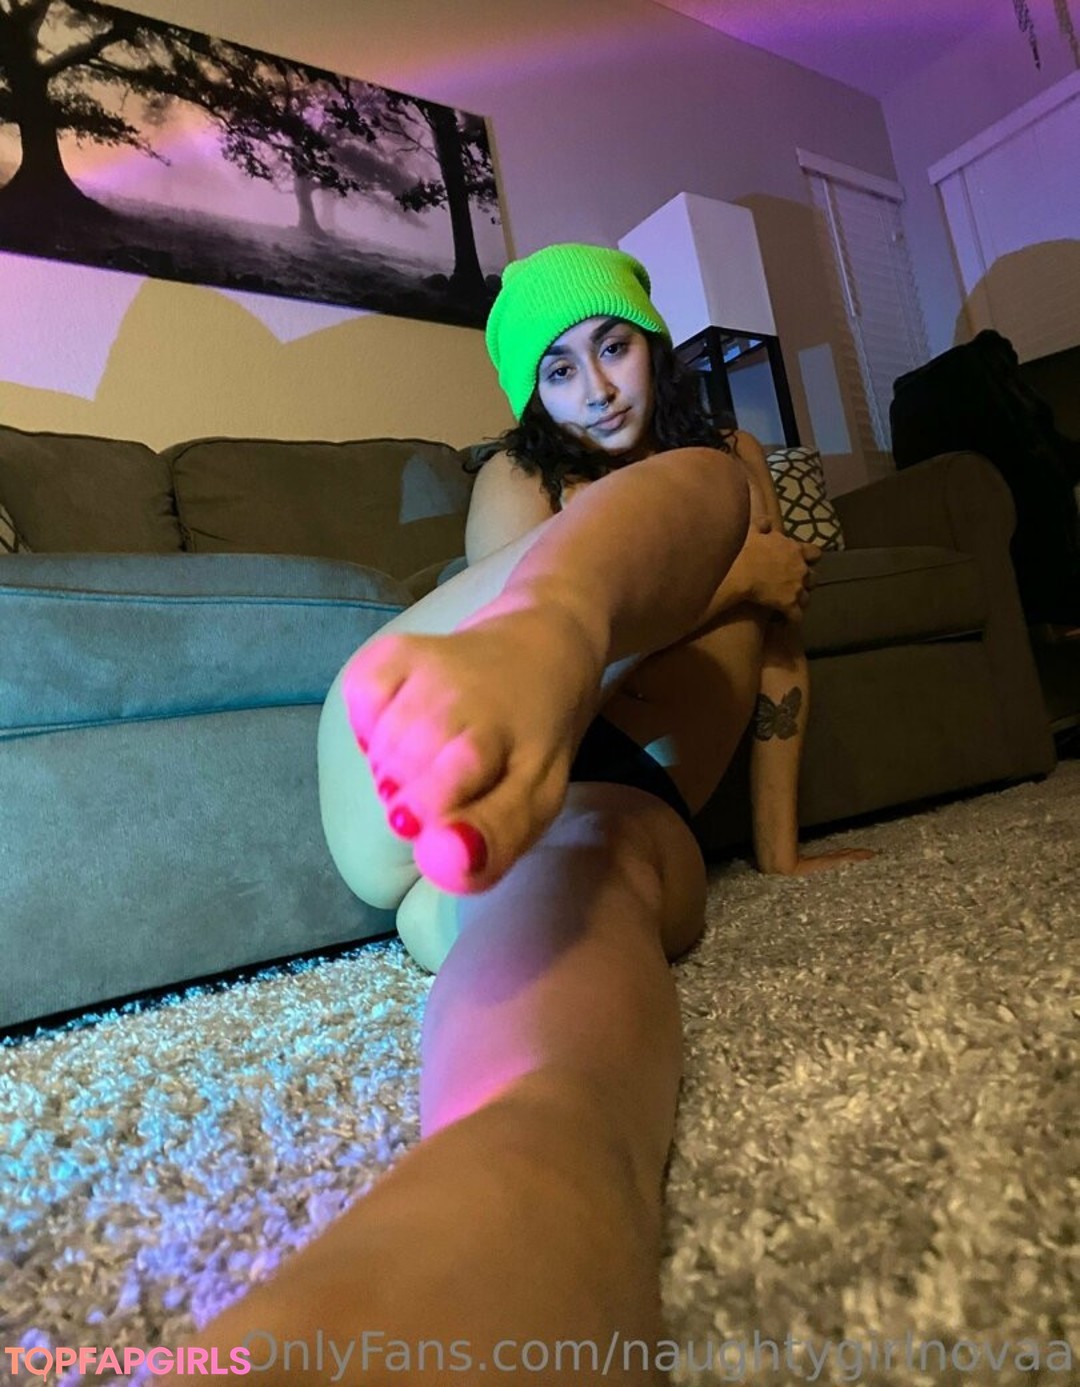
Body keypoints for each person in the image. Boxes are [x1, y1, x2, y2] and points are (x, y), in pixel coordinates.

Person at [170, 245, 868, 1383]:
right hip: (430, 731)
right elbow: (591, 667)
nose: (596, 388)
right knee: (698, 495)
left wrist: (779, 854)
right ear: (529, 394)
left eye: (613, 346)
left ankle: (504, 1206)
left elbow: (780, 666)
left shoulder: (729, 451)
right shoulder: (521, 478)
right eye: (558, 369)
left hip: (513, 834)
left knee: (556, 1008)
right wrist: (735, 580)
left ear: (653, 345)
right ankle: (554, 626)